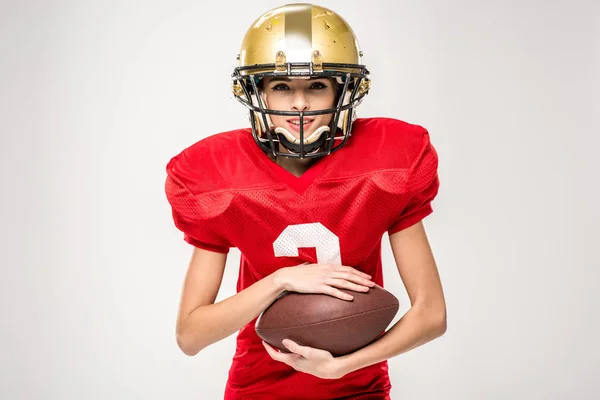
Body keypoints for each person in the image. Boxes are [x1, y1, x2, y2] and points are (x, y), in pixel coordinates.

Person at [165, 3, 447, 399]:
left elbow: (431, 315)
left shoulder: (391, 160)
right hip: (256, 387)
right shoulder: (213, 174)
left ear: (343, 90)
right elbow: (190, 335)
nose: (299, 104)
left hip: (357, 387)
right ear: (256, 92)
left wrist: (342, 368)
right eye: (281, 87)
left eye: (316, 86)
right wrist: (280, 280)